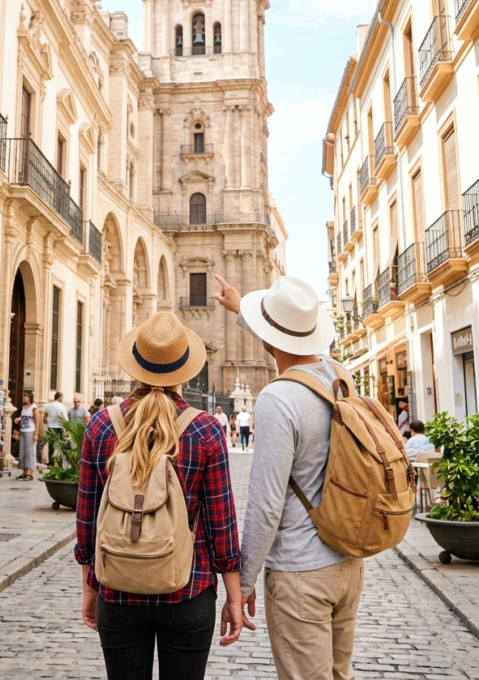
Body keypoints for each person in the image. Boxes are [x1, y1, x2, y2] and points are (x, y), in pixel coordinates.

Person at [76, 311, 248, 680]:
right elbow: (222, 523)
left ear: (135, 366)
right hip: (189, 589)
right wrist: (234, 596)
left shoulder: (101, 425)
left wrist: (90, 586)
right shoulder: (205, 429)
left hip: (117, 590)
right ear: (185, 370)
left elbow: (88, 519)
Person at [215, 273, 364, 680]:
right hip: (348, 564)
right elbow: (288, 343)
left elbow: (266, 505)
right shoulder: (340, 375)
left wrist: (244, 583)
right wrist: (242, 309)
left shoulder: (278, 398)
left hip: (301, 573)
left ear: (268, 338)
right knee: (340, 674)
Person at [15, 390, 39, 479]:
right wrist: (18, 419)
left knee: (30, 452)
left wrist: (36, 434)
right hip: (23, 431)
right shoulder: (23, 407)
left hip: (30, 431)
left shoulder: (34, 408)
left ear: (29, 397)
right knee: (23, 452)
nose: (23, 397)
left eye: (25, 396)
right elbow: (24, 417)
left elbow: (37, 421)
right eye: (23, 396)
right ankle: (24, 472)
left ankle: (30, 473)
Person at [44, 391, 68, 464]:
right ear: (60, 398)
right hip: (58, 428)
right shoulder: (62, 407)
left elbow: (44, 418)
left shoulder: (49, 406)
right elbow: (65, 418)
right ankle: (60, 462)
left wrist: (49, 422)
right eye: (62, 397)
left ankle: (51, 463)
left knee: (51, 445)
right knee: (60, 445)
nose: (62, 399)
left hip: (50, 427)